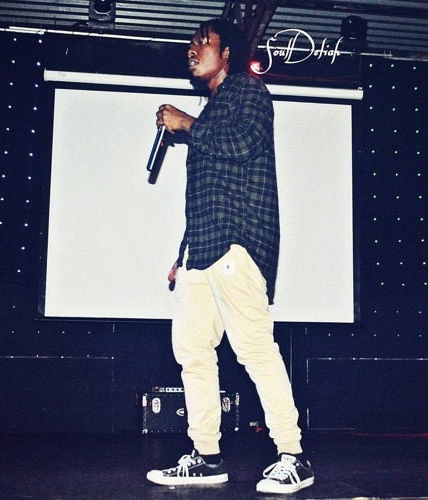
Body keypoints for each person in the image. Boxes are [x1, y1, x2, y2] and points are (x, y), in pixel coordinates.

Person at [146, 18, 314, 495]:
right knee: (193, 353)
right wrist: (184, 252)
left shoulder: (248, 91)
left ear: (227, 55)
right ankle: (206, 456)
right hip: (202, 248)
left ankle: (293, 456)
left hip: (237, 242)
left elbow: (242, 146)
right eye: (190, 42)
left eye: (203, 41)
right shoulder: (214, 107)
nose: (192, 48)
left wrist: (187, 123)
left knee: (254, 348)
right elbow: (210, 193)